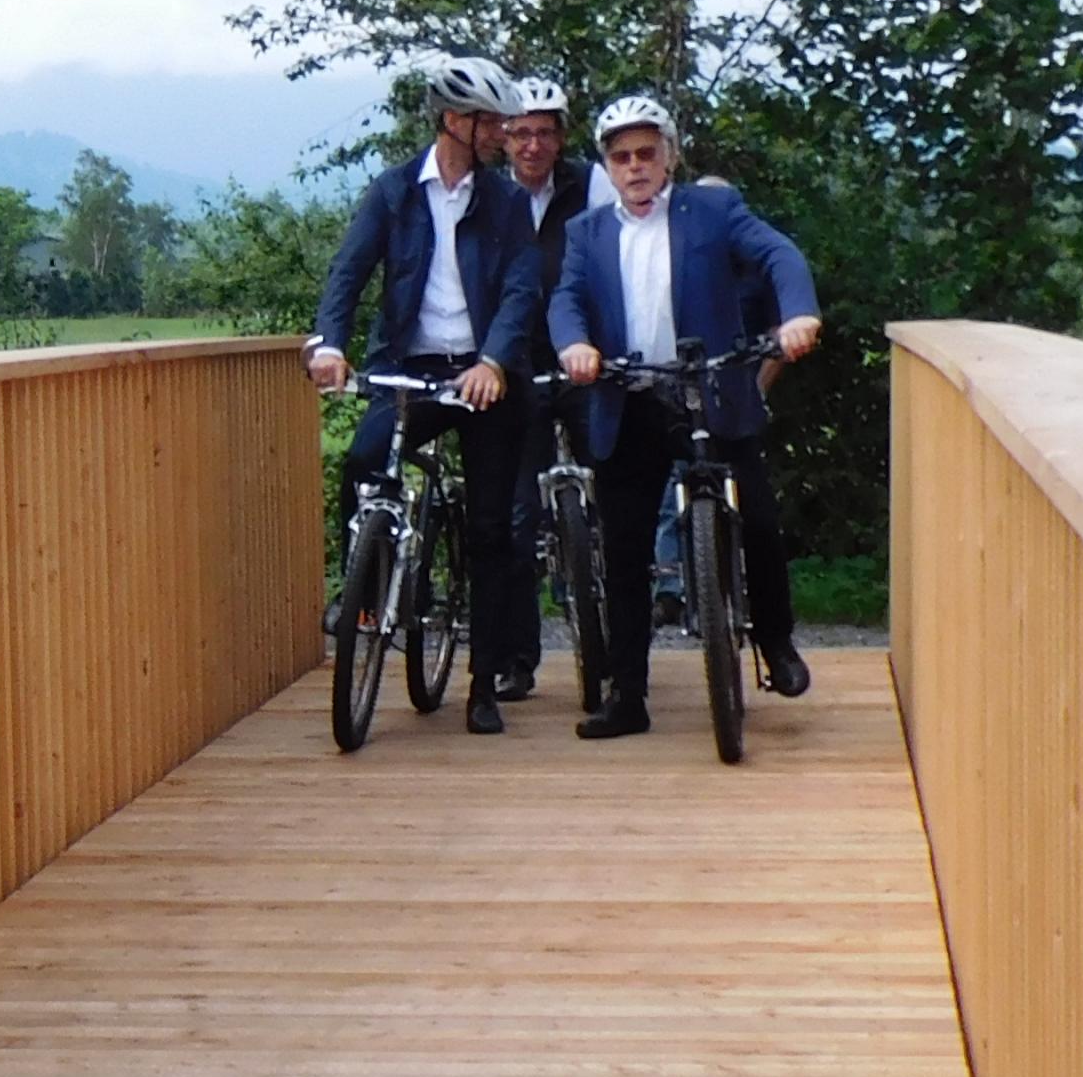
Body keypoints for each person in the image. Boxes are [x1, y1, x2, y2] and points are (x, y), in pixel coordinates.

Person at [547, 94, 822, 740]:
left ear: (668, 155)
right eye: (621, 157)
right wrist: (574, 345)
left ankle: (776, 642)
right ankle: (627, 695)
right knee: (624, 551)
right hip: (629, 396)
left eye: (646, 153)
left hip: (710, 389)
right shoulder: (587, 232)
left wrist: (798, 313)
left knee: (759, 518)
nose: (635, 166)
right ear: (606, 166)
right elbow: (566, 299)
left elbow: (778, 254)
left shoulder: (713, 210)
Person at [310, 56, 546, 735]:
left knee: (492, 529)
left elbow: (522, 289)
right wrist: (329, 344)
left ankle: (483, 684)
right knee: (363, 462)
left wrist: (495, 360)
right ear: (453, 120)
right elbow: (348, 273)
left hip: (482, 375)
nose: (503, 133)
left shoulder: (505, 202)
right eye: (490, 122)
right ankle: (365, 594)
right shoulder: (394, 192)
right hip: (409, 368)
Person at [481, 77, 590, 703]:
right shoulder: (488, 196)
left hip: (584, 359)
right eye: (520, 133)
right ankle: (516, 658)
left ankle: (613, 644)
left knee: (615, 488)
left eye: (544, 132)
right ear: (503, 137)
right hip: (515, 366)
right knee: (516, 516)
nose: (532, 145)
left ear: (561, 137)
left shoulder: (591, 187)